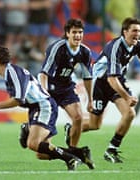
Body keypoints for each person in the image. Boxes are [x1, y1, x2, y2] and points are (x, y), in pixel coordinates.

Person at [0, 45, 82, 171]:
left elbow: (19, 99)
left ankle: (70, 158)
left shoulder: (13, 72)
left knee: (33, 144)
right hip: (36, 107)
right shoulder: (10, 73)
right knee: (41, 154)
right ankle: (78, 154)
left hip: (43, 106)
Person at [80, 17, 140, 163]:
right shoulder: (115, 48)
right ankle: (73, 128)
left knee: (130, 113)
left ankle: (111, 149)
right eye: (134, 31)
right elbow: (110, 79)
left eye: (139, 31)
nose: (137, 34)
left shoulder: (137, 44)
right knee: (95, 125)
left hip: (117, 81)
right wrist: (127, 97)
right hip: (100, 83)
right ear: (125, 32)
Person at [37, 18, 94, 169]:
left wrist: (90, 100)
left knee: (78, 117)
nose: (78, 36)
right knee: (41, 152)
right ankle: (28, 129)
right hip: (49, 89)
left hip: (66, 87)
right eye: (74, 32)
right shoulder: (57, 48)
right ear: (67, 34)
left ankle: (73, 152)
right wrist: (44, 94)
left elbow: (88, 76)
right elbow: (43, 74)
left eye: (80, 32)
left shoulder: (85, 52)